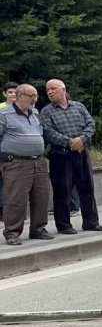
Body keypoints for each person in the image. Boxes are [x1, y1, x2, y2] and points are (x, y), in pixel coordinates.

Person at [40, 79, 102, 234]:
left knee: (87, 188)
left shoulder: (79, 106)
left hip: (82, 152)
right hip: (60, 155)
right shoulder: (46, 111)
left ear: (63, 90)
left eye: (53, 88)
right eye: (48, 89)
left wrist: (82, 139)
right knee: (62, 191)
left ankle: (91, 222)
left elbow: (91, 124)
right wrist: (69, 142)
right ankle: (63, 225)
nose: (50, 92)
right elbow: (47, 132)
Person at [0, 84, 53, 245]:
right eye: (31, 96)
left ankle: (38, 229)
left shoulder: (35, 113)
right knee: (16, 198)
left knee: (41, 196)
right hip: (16, 162)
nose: (35, 99)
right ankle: (12, 232)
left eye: (36, 96)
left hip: (38, 160)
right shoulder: (4, 114)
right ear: (19, 96)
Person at [0, 81, 16, 221]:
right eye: (10, 92)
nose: (13, 95)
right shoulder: (1, 109)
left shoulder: (24, 109)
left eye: (16, 92)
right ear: (4, 94)